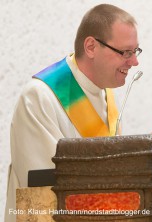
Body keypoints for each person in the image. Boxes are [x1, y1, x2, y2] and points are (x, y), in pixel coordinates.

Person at [5, 4, 141, 221]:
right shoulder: (40, 97)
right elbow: (46, 191)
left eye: (136, 51)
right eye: (126, 52)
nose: (134, 62)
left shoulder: (107, 98)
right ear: (90, 47)